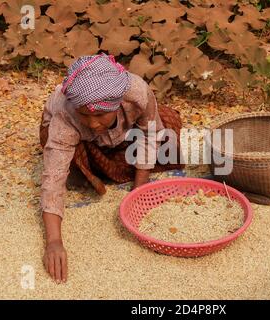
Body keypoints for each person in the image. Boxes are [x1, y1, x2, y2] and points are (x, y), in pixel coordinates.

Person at [39, 53, 183, 283]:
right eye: (85, 115)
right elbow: (53, 178)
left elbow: (150, 133)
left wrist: (138, 191)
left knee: (169, 122)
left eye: (100, 115)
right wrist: (54, 242)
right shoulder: (66, 114)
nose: (93, 122)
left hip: (120, 134)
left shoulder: (137, 93)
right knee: (66, 155)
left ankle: (114, 166)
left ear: (117, 105)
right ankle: (94, 169)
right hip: (82, 143)